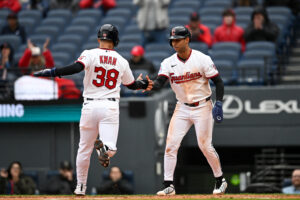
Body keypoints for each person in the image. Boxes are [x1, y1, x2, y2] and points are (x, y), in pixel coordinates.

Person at [33, 24, 152, 196]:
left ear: (99, 38)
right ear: (116, 40)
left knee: (83, 149)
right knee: (110, 150)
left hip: (89, 105)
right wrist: (143, 84)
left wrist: (53, 72)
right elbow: (132, 85)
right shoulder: (122, 60)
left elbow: (75, 68)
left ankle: (80, 187)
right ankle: (103, 149)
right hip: (109, 106)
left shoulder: (89, 53)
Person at [143, 26, 227, 195]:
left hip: (203, 106)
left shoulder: (201, 58)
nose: (174, 42)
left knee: (204, 146)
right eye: (172, 40)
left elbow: (218, 82)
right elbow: (159, 83)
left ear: (187, 39)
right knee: (170, 146)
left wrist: (219, 103)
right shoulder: (168, 62)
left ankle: (220, 180)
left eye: (178, 39)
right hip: (182, 107)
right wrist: (147, 85)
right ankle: (169, 185)